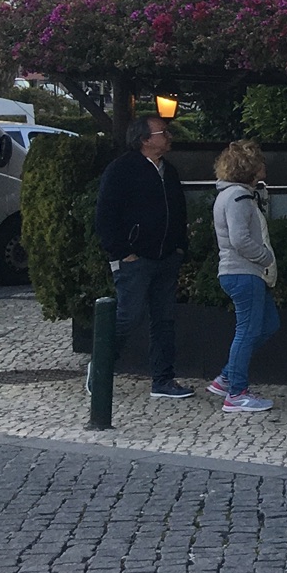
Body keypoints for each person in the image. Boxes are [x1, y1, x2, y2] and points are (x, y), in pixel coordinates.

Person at [92, 115, 193, 399]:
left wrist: (179, 246)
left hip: (166, 257)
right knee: (128, 316)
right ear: (145, 140)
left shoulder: (168, 171)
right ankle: (100, 367)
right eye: (163, 132)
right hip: (135, 259)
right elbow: (105, 214)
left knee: (164, 320)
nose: (169, 136)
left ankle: (163, 380)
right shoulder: (121, 170)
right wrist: (123, 252)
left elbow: (179, 210)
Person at [209, 139, 278, 414]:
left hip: (240, 273)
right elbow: (240, 239)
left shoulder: (230, 194)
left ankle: (228, 376)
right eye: (260, 162)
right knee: (248, 331)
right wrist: (265, 257)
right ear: (250, 167)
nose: (264, 166)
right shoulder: (239, 197)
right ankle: (236, 392)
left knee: (267, 324)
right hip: (244, 272)